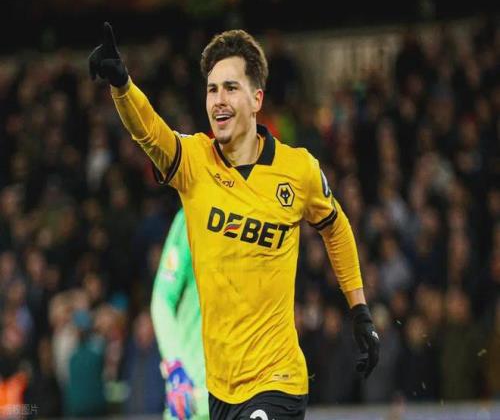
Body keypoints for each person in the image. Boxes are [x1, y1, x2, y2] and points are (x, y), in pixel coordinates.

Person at [89, 23, 379, 419]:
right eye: (212, 90)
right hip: (219, 390)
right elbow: (150, 132)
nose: (219, 100)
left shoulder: (298, 170)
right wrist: (122, 86)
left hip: (278, 380)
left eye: (230, 88)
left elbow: (335, 226)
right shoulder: (194, 163)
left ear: (257, 99)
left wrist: (359, 309)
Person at [151, 208, 209, 419]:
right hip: (193, 400)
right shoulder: (193, 215)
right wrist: (176, 368)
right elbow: (162, 299)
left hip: (244, 394)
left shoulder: (259, 212)